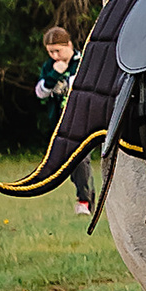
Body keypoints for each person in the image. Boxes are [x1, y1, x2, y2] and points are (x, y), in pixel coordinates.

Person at [35, 24, 97, 214]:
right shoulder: (49, 67)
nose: (55, 56)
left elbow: (83, 90)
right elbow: (40, 93)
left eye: (58, 51)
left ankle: (84, 202)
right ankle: (86, 196)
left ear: (69, 45)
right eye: (50, 52)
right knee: (68, 163)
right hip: (59, 124)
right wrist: (54, 74)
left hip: (81, 121)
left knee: (80, 159)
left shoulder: (82, 62)